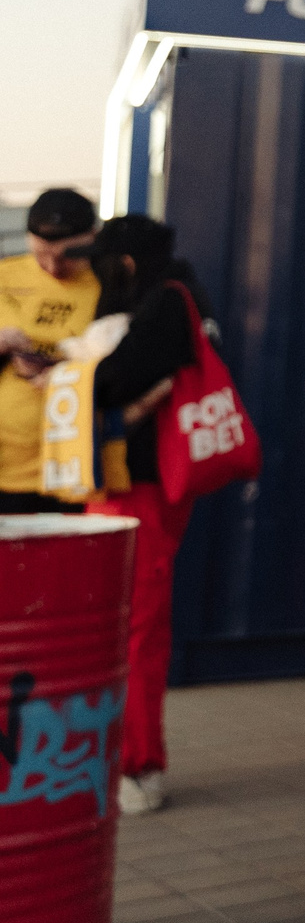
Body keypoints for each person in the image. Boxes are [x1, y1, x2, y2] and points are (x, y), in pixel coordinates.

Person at [61, 216, 208, 814]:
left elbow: (110, 383)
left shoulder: (165, 304)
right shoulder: (166, 299)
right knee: (118, 625)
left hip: (140, 487)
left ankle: (140, 765)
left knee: (137, 626)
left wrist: (73, 371)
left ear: (123, 263)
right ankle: (115, 756)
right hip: (118, 484)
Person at [0, 189, 100, 516]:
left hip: (73, 465)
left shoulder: (111, 284)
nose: (53, 267)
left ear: (92, 237)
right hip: (8, 464)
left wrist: (69, 371)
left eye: (67, 256)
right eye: (41, 255)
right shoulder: (6, 276)